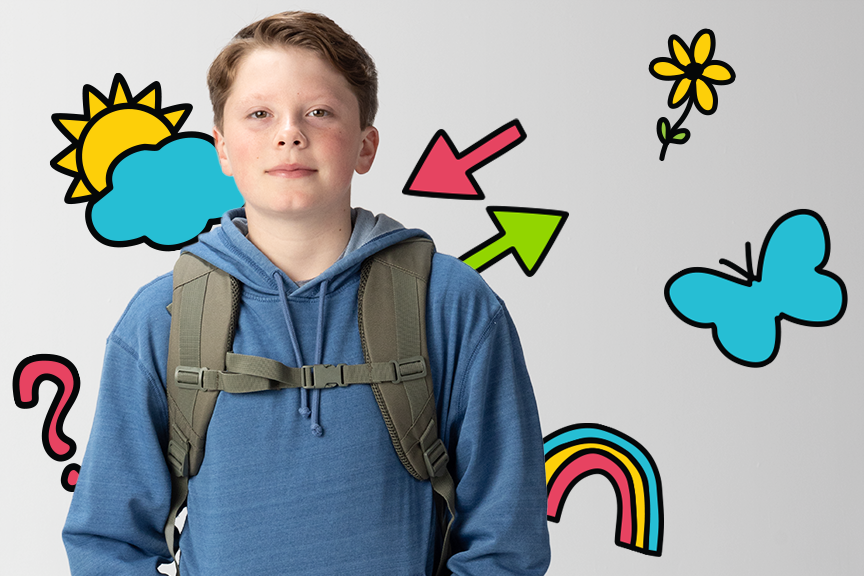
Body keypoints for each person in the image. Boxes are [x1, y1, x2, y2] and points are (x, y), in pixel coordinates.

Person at [62, 11, 550, 575]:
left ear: (366, 145)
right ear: (221, 148)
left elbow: (507, 539)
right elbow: (106, 541)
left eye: (319, 112)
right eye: (259, 114)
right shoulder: (163, 316)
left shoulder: (450, 303)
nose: (289, 133)